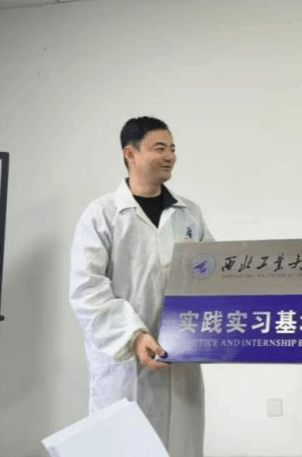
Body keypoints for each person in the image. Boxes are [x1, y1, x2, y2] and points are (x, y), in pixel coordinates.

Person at [69, 116, 213, 457]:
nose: (170, 156)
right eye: (159, 148)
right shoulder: (102, 214)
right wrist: (133, 336)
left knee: (180, 444)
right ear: (130, 154)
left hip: (181, 356)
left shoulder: (189, 214)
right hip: (125, 364)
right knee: (127, 446)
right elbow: (87, 289)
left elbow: (213, 276)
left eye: (173, 148)